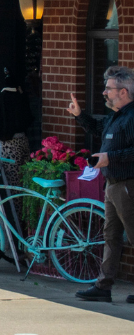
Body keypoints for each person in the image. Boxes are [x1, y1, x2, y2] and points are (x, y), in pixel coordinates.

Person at [70, 66, 134, 304]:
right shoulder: (116, 115)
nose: (104, 93)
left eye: (109, 89)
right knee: (111, 236)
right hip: (113, 185)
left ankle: (103, 284)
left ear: (124, 92)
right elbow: (99, 131)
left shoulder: (132, 117)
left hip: (128, 185)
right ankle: (103, 286)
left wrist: (111, 158)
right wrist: (79, 115)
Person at [0, 71, 32, 186]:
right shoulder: (22, 97)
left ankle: (12, 204)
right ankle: (23, 203)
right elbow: (29, 118)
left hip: (7, 145)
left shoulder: (0, 99)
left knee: (9, 180)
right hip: (22, 141)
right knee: (24, 178)